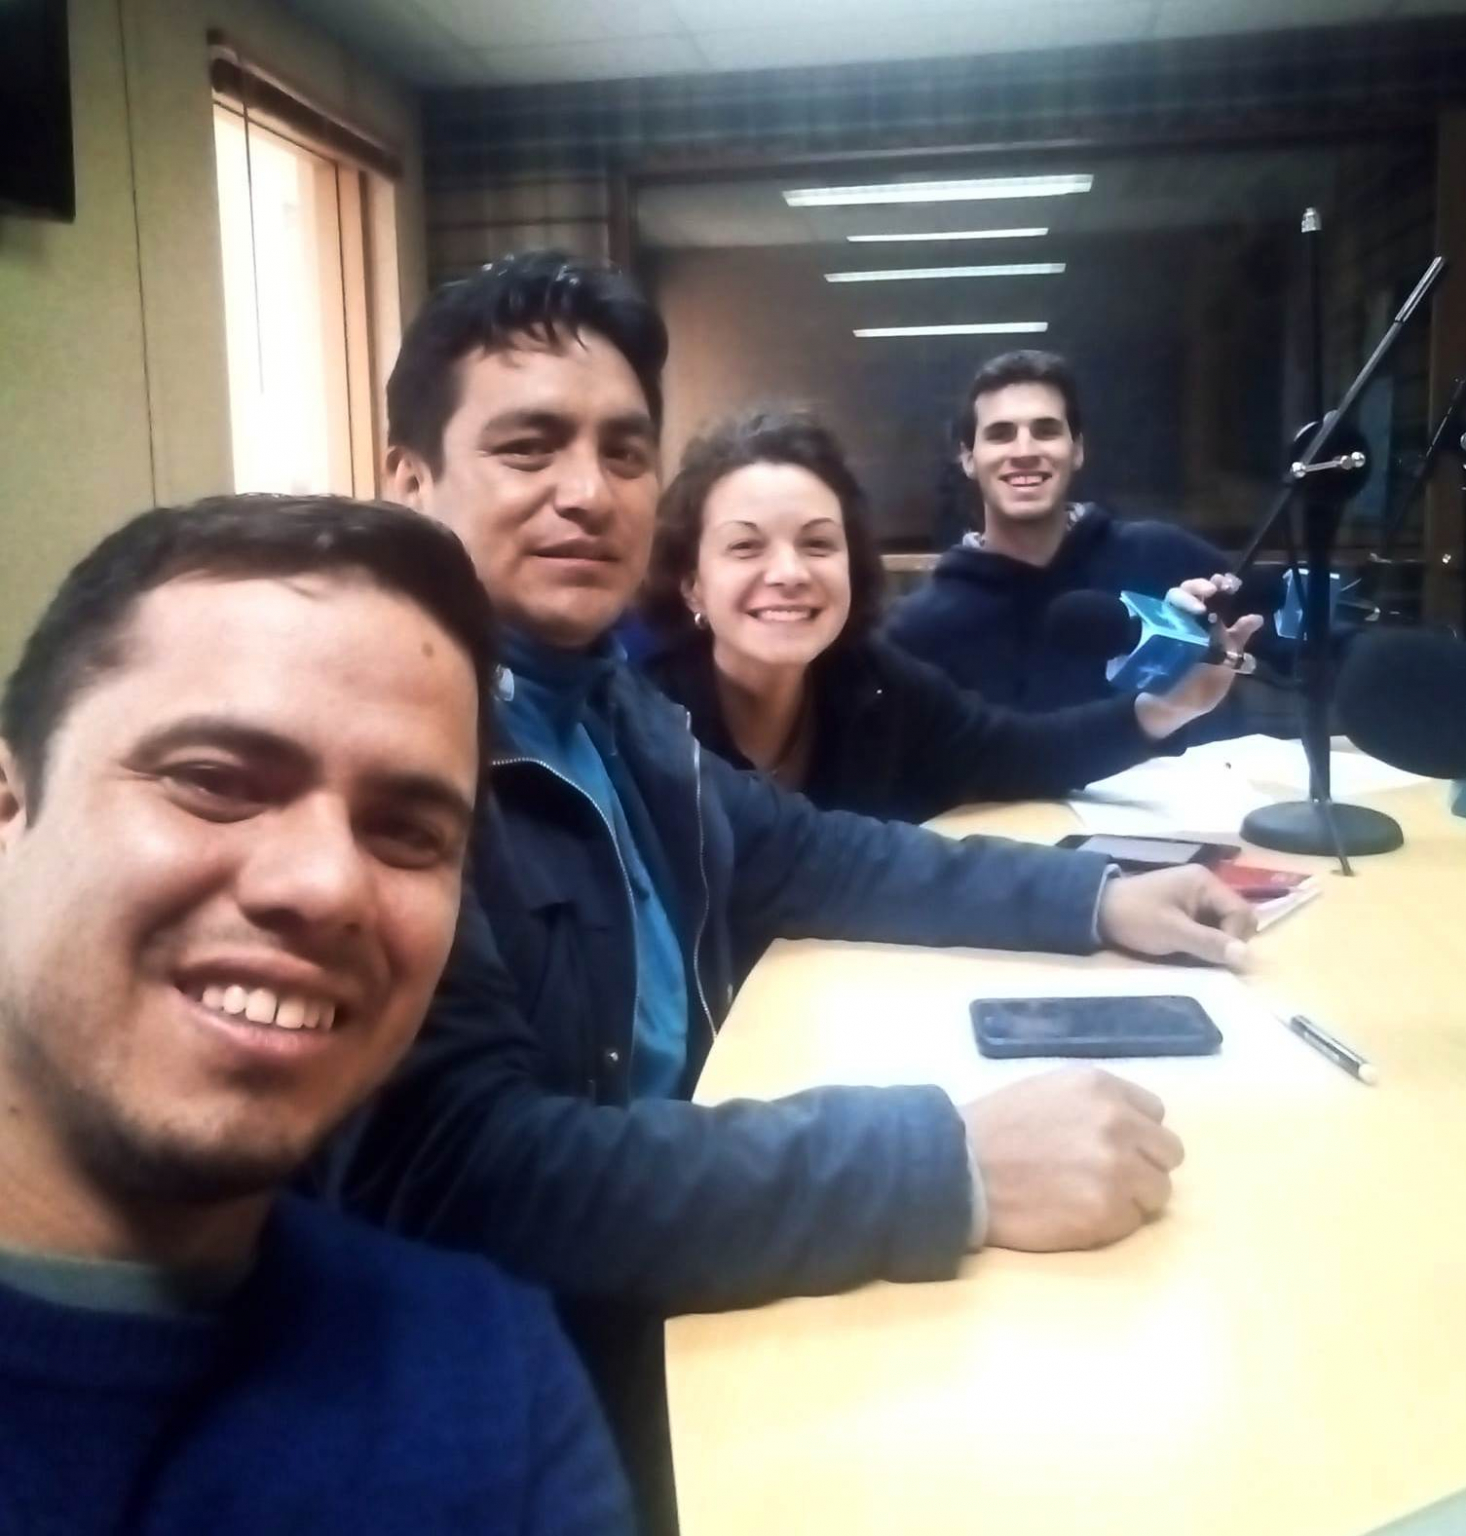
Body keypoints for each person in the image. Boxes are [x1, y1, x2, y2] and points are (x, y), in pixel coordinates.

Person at [312, 253, 1256, 1530]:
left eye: (623, 451)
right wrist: (945, 1161)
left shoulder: (606, 705)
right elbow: (471, 1173)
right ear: (410, 480)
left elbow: (815, 853)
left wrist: (1093, 898)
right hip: (524, 1384)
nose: (586, 491)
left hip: (669, 1273)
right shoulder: (378, 756)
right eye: (528, 447)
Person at [0, 496, 632, 1534]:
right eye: (213, 782)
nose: (327, 885)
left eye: (406, 834)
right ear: (10, 812)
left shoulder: (486, 1374)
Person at [637, 406, 1260, 824]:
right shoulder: (638, 723)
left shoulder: (874, 682)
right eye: (746, 547)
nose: (789, 572)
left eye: (818, 543)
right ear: (692, 585)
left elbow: (1015, 752)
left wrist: (1165, 708)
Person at [886, 349, 1272, 731]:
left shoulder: (1163, 556)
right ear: (969, 458)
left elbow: (1293, 646)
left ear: (1077, 450)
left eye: (1046, 431)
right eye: (1001, 434)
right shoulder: (919, 627)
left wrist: (1215, 646)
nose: (1024, 451)